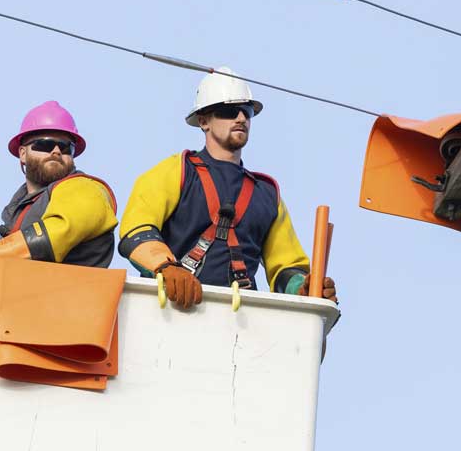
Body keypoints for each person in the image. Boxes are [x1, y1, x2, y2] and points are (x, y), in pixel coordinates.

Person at [117, 68, 337, 308]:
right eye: (229, 111)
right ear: (203, 121)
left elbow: (285, 266)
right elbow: (137, 230)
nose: (241, 118)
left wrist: (302, 287)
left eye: (247, 112)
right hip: (174, 309)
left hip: (240, 321)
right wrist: (165, 267)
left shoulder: (266, 194)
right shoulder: (176, 171)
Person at [0, 101, 118, 281]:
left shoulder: (85, 188)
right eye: (44, 145)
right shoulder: (18, 210)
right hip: (35, 302)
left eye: (66, 147)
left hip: (75, 302)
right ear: (22, 154)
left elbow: (53, 236)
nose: (56, 151)